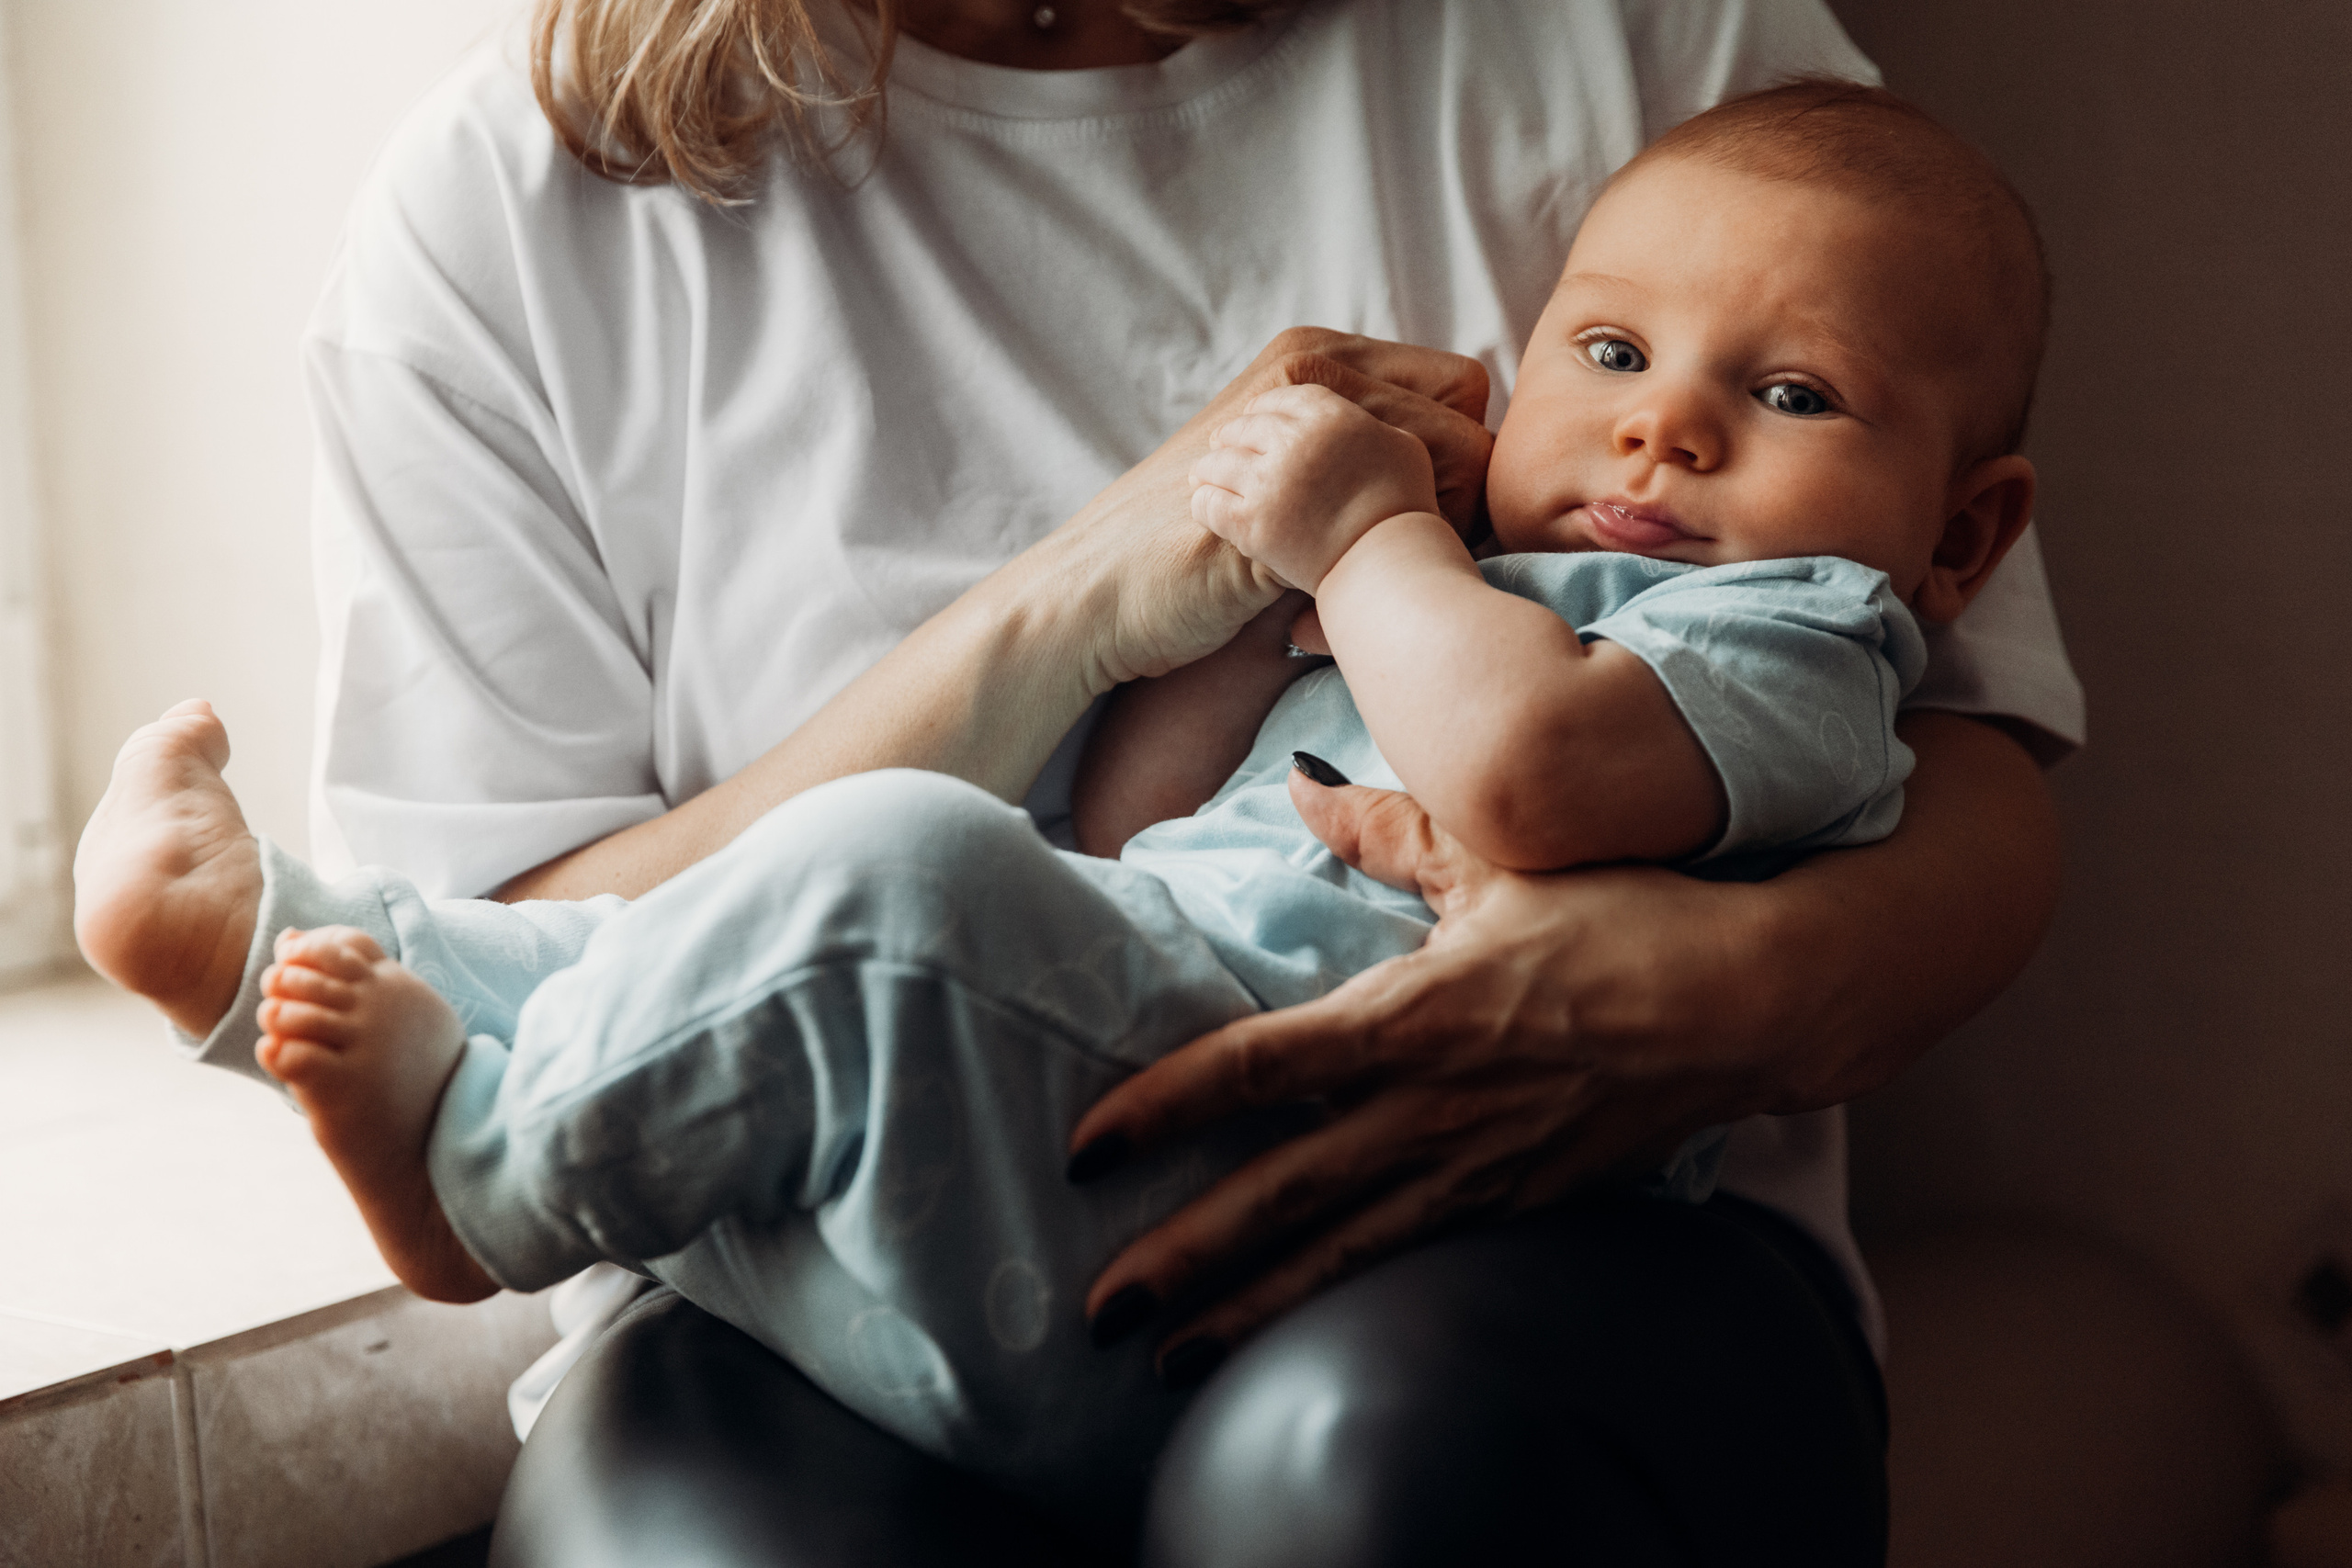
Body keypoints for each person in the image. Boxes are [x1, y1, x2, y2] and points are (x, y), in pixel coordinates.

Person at [74, 2, 2080, 1561]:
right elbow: (1119, 840)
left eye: (1777, 396)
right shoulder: (501, 208)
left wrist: (1687, 995)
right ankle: (309, 973)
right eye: (1609, 358)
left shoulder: (1657, 101)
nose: (1661, 436)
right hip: (870, 1172)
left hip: (1547, 1241)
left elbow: (1948, 780)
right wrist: (1108, 595)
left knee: (1355, 1466)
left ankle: (472, 1151)